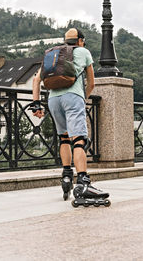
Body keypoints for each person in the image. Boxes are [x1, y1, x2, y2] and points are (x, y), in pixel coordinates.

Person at [31, 28, 110, 207]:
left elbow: (36, 80)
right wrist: (83, 97)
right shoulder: (83, 52)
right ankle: (83, 182)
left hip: (53, 100)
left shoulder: (54, 54)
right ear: (81, 41)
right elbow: (91, 82)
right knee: (79, 140)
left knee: (64, 138)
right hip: (72, 98)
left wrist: (36, 104)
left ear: (66, 41)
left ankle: (66, 175)